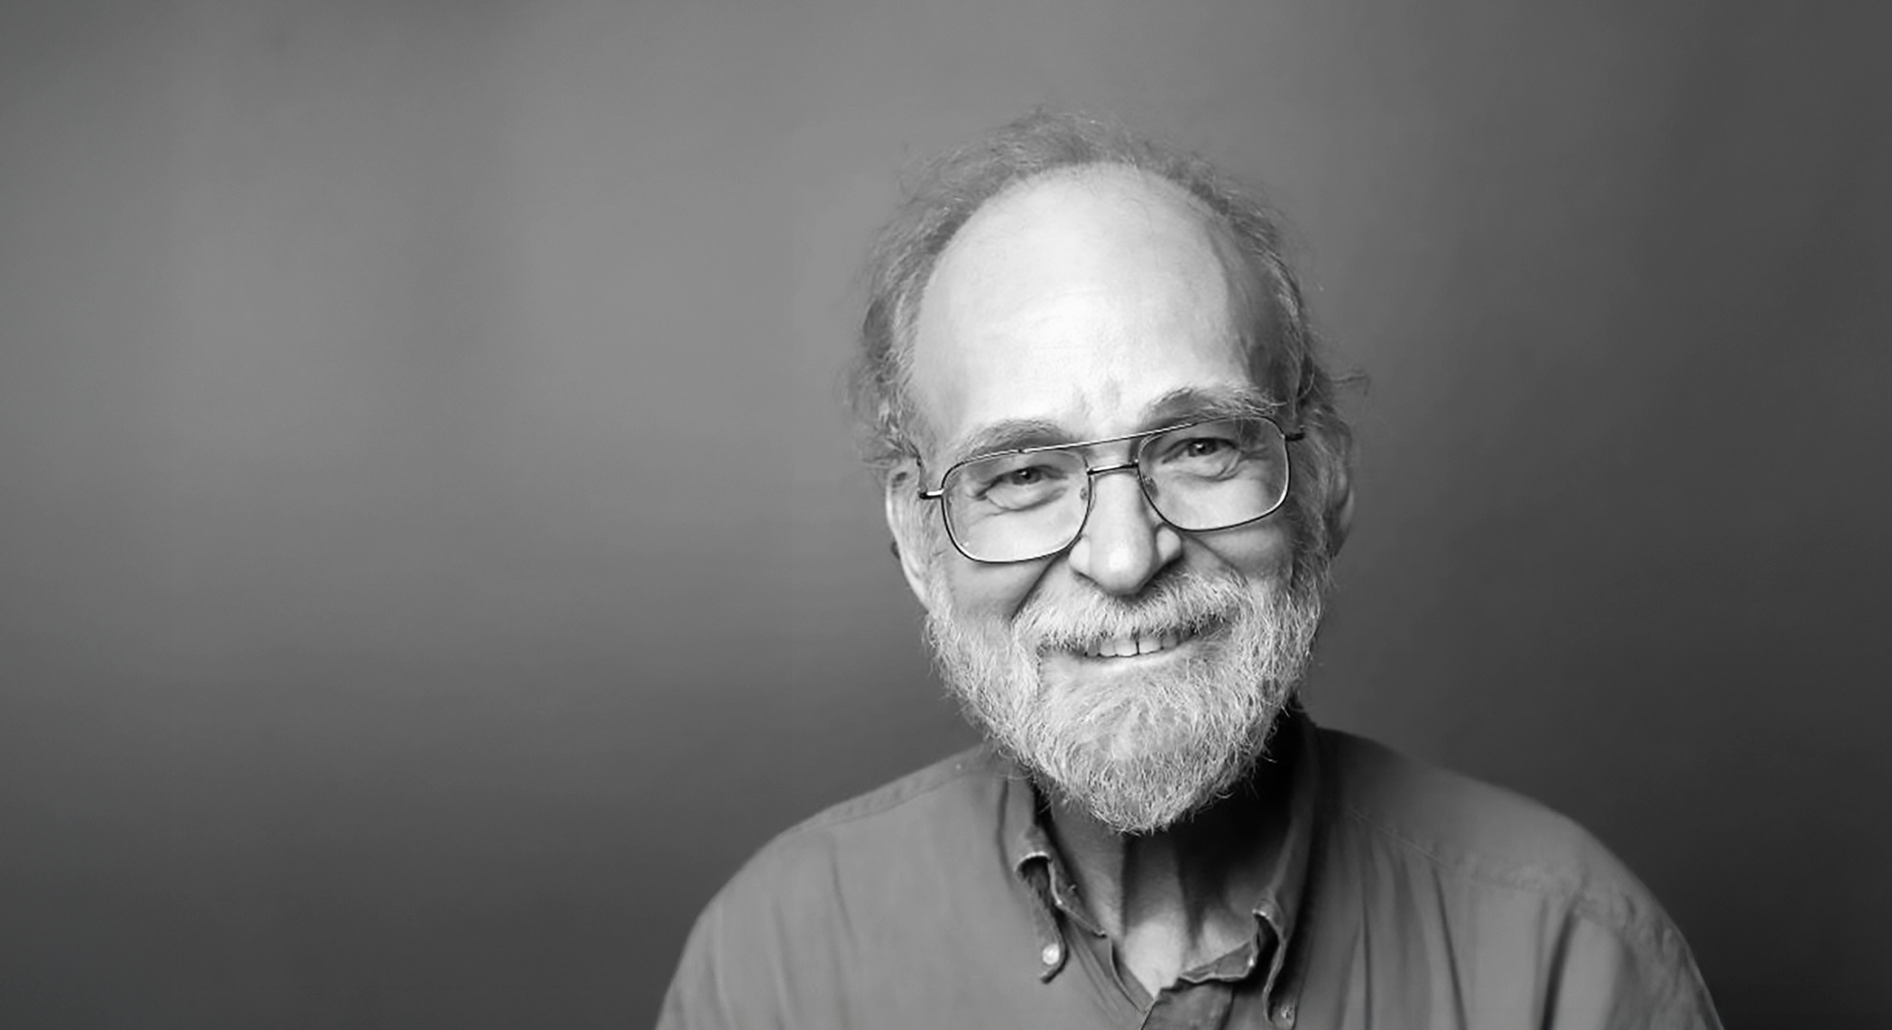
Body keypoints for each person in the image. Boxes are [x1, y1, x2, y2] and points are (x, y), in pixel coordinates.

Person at [655, 112, 1721, 1029]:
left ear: (1322, 480)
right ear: (918, 536)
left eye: (1201, 445)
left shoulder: (1571, 958)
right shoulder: (775, 968)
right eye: (1022, 473)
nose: (1125, 558)